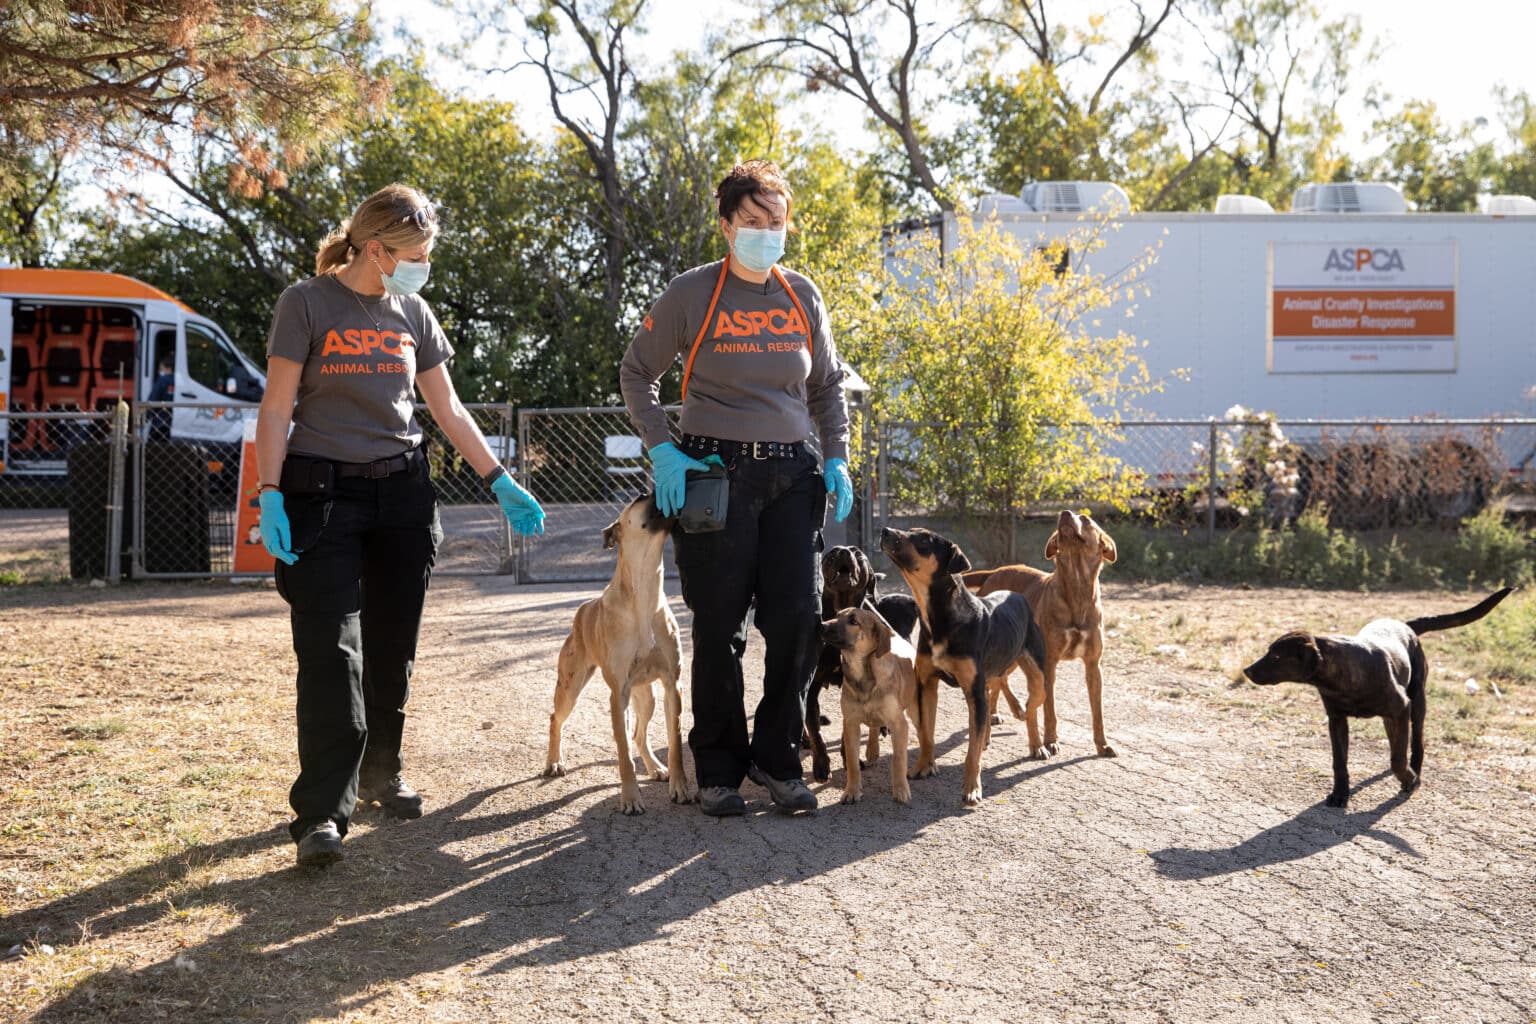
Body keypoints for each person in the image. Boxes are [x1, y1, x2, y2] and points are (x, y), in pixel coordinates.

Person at [255, 183, 546, 867]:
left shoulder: (413, 311)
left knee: (393, 644)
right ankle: (323, 811)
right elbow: (275, 408)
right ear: (379, 249)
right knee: (331, 648)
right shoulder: (307, 303)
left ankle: (382, 775)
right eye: (416, 253)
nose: (425, 264)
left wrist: (498, 476)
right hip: (322, 496)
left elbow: (447, 409)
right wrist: (269, 491)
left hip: (403, 496)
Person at [620, 160, 854, 817]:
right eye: (752, 222)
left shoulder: (803, 294)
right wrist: (663, 447)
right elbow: (637, 373)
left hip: (791, 476)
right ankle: (718, 766)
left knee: (798, 623)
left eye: (775, 222)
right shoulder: (691, 293)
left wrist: (836, 458)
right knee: (719, 624)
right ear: (726, 225)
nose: (765, 232)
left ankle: (778, 759)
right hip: (712, 476)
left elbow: (827, 386)